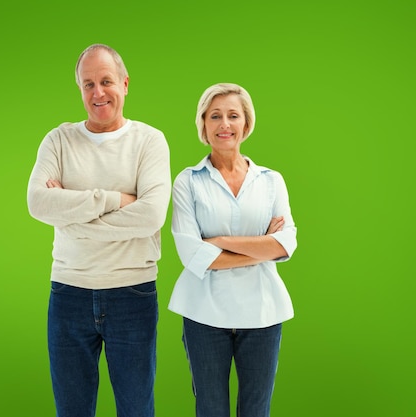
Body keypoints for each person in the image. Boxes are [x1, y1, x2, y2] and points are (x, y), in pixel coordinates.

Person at [27, 43, 171, 417]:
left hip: (132, 295)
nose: (98, 93)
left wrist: (72, 218)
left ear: (124, 84)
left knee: (137, 409)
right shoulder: (58, 140)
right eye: (88, 84)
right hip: (68, 294)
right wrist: (114, 199)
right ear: (79, 89)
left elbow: (151, 216)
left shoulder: (149, 142)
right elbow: (37, 204)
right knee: (72, 411)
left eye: (106, 81)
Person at [168, 83, 297, 417]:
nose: (224, 124)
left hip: (262, 314)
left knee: (256, 411)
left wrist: (220, 242)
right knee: (210, 410)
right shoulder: (188, 181)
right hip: (204, 315)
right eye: (215, 116)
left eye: (233, 115)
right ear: (204, 125)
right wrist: (261, 248)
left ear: (246, 124)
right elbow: (192, 255)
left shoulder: (271, 181)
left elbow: (285, 244)